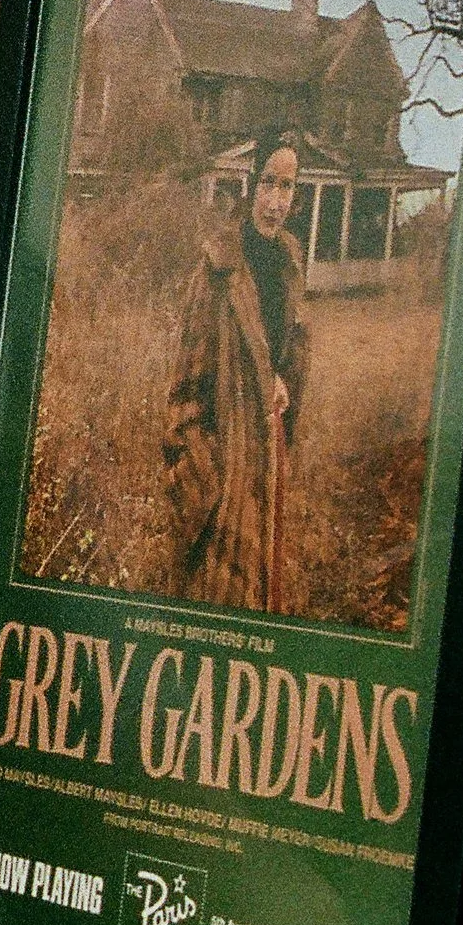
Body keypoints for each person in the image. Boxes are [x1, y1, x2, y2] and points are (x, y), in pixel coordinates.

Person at [162, 138, 310, 614]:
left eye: (287, 186)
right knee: (215, 615)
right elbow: (183, 394)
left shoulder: (289, 261)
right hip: (224, 476)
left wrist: (283, 380)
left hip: (269, 463)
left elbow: (287, 349)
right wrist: (206, 483)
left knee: (259, 615)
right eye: (269, 182)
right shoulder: (218, 269)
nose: (276, 201)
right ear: (251, 184)